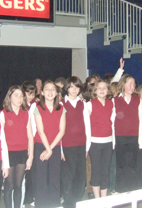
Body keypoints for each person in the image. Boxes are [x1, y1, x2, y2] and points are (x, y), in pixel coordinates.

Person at [33, 81, 66, 208]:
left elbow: (62, 131)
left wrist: (50, 149)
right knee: (41, 178)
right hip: (40, 146)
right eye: (47, 89)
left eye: (53, 89)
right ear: (42, 92)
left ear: (57, 93)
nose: (50, 92)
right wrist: (47, 149)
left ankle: (54, 205)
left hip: (55, 146)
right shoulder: (38, 107)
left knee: (54, 178)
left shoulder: (61, 108)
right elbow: (40, 131)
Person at [0, 85, 34, 208]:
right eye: (16, 95)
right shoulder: (4, 114)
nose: (19, 98)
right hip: (9, 154)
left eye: (21, 96)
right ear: (9, 97)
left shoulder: (26, 114)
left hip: (22, 153)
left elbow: (30, 136)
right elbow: (1, 138)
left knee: (18, 185)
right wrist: (4, 159)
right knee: (9, 185)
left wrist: (30, 157)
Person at [60, 76, 90, 208]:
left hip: (81, 144)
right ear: (67, 88)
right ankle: (68, 201)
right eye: (71, 86)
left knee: (80, 174)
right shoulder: (61, 104)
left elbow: (87, 125)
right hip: (67, 144)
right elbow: (58, 127)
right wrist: (60, 148)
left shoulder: (82, 104)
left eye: (77, 87)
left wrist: (87, 146)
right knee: (68, 174)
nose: (74, 89)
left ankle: (77, 199)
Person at [112, 74, 142, 192]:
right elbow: (112, 121)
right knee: (120, 164)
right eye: (129, 84)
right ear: (123, 85)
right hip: (120, 137)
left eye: (134, 84)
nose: (132, 86)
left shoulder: (138, 100)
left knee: (132, 164)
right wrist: (113, 141)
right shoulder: (115, 100)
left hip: (133, 137)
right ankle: (120, 189)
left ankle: (131, 189)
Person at [87, 80, 114, 198]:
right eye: (99, 88)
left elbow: (112, 123)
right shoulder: (90, 104)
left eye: (104, 88)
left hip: (108, 142)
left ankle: (104, 198)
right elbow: (86, 125)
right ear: (95, 91)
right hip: (95, 142)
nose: (102, 90)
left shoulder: (111, 103)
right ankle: (97, 199)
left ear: (108, 91)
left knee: (105, 170)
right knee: (96, 170)